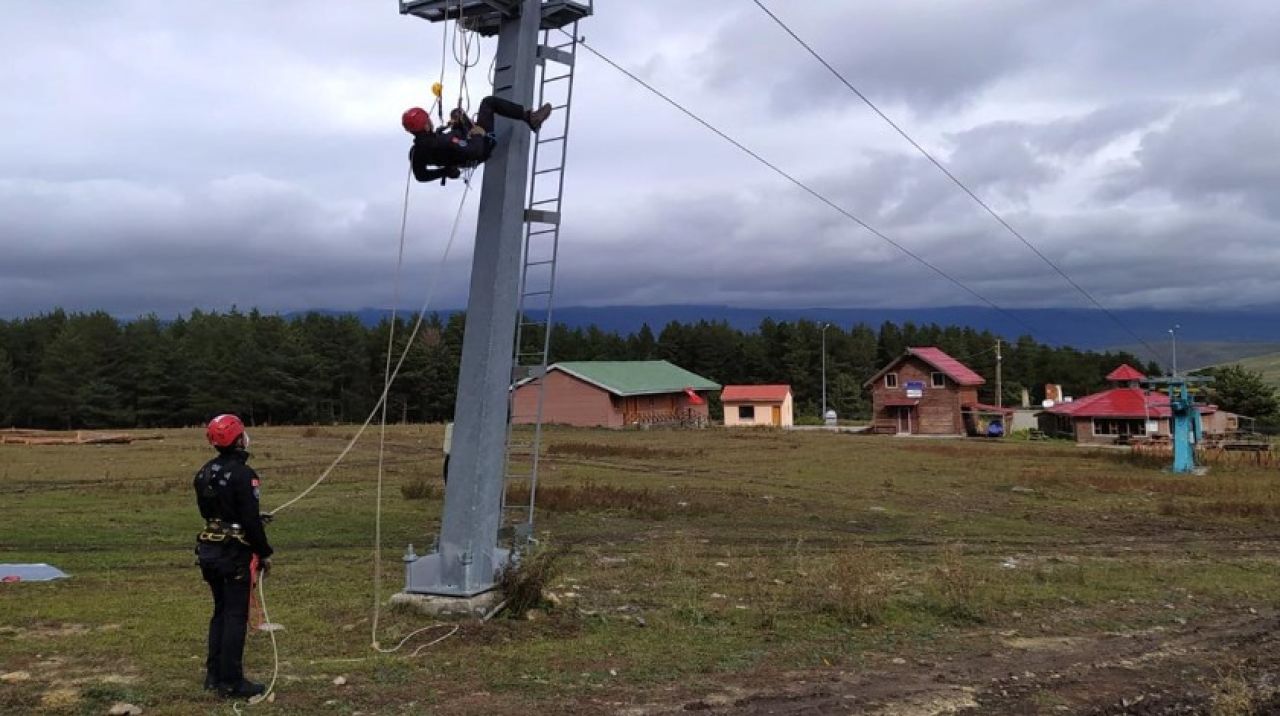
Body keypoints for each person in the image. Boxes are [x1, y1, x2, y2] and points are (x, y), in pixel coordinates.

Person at [193, 414, 273, 699]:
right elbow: (249, 522)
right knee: (235, 616)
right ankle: (232, 682)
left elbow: (213, 513)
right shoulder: (244, 475)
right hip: (233, 554)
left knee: (220, 613)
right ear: (239, 438)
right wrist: (265, 553)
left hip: (210, 550)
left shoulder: (203, 472)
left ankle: (214, 676)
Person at [402, 96, 553, 183]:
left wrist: (444, 172)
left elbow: (420, 175)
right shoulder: (446, 140)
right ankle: (530, 118)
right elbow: (475, 151)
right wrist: (478, 134)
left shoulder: (415, 152)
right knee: (488, 103)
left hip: (462, 150)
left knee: (456, 113)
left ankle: (461, 121)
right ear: (426, 126)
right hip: (480, 147)